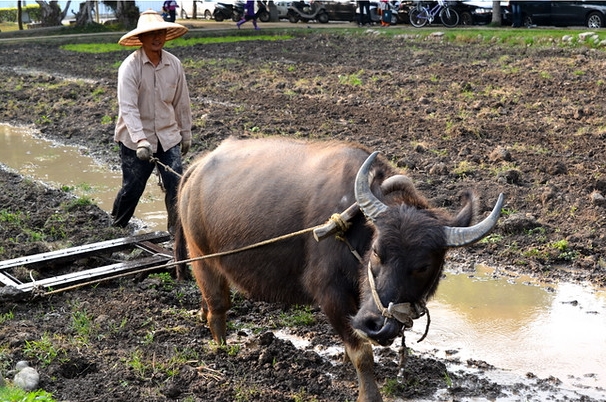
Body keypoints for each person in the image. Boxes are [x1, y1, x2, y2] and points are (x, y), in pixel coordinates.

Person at [112, 10, 192, 235]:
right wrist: (141, 140)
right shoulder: (130, 67)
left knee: (176, 186)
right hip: (135, 140)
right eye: (151, 34)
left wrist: (185, 134)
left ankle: (176, 235)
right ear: (141, 38)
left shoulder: (174, 64)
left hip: (168, 136)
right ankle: (116, 227)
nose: (157, 38)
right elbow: (128, 108)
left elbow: (181, 102)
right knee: (133, 187)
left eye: (160, 33)